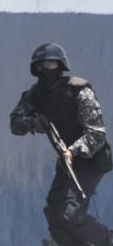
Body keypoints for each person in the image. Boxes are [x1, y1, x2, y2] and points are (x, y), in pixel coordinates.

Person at [10, 43, 113, 246]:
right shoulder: (36, 95)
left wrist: (73, 151)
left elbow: (97, 134)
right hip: (67, 161)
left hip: (92, 159)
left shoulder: (78, 91)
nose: (46, 71)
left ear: (60, 65)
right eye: (40, 66)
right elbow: (15, 122)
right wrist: (33, 123)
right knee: (54, 215)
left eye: (50, 65)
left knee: (69, 213)